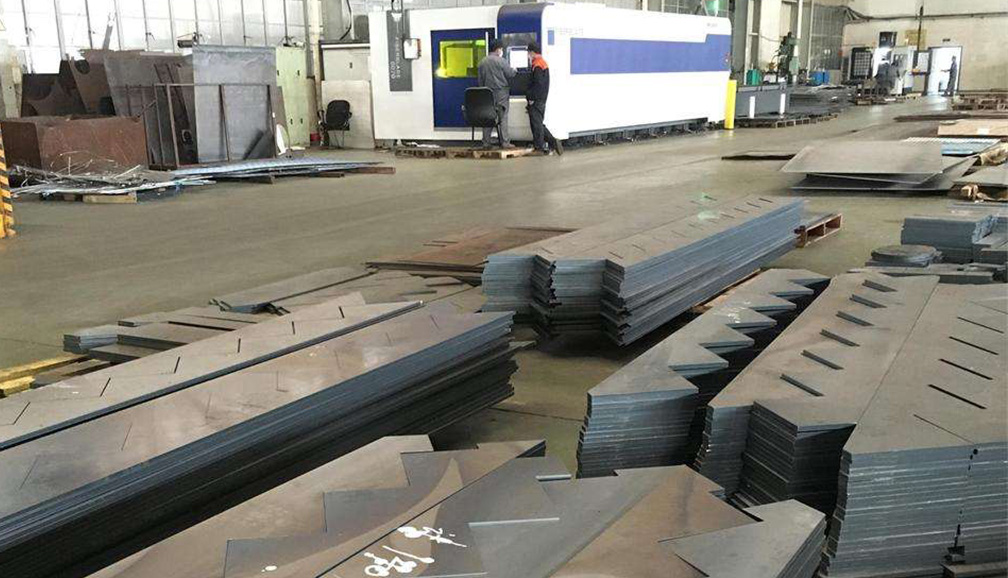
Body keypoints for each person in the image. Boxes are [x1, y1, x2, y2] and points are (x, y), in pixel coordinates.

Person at [477, 39, 516, 148]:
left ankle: (486, 142)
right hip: (501, 93)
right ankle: (505, 142)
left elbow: (480, 81)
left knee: (488, 116)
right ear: (498, 49)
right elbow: (510, 74)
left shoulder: (482, 62)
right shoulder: (501, 61)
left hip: (487, 94)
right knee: (503, 117)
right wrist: (515, 69)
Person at [526, 41, 562, 155]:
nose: (528, 55)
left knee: (536, 124)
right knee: (539, 123)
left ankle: (539, 148)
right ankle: (553, 142)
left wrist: (531, 98)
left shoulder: (537, 65)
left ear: (532, 52)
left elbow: (538, 84)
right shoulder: (543, 63)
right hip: (541, 99)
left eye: (529, 53)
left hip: (536, 100)